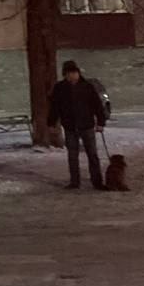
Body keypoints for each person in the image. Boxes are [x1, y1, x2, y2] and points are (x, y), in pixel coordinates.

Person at [47, 59, 107, 190]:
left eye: (74, 73)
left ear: (78, 73)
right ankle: (74, 181)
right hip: (70, 126)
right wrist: (51, 122)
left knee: (92, 154)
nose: (72, 76)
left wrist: (101, 122)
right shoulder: (60, 88)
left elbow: (97, 105)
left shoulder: (87, 87)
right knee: (72, 156)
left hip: (87, 125)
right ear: (65, 75)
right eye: (68, 74)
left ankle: (97, 181)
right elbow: (55, 107)